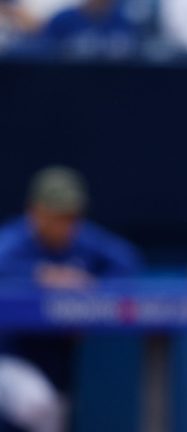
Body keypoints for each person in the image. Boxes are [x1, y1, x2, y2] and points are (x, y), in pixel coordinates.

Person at [0, 166, 142, 432]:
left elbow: (128, 261)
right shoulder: (15, 241)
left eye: (70, 217)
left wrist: (92, 284)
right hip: (9, 358)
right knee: (38, 407)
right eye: (56, 216)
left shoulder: (83, 240)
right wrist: (39, 275)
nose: (64, 225)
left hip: (58, 364)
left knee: (51, 413)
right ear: (35, 211)